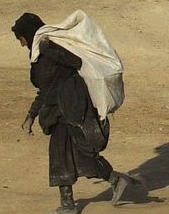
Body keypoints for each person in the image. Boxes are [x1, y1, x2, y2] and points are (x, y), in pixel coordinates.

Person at [12, 13, 136, 214]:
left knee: (64, 155)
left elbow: (76, 63)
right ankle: (113, 180)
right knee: (72, 154)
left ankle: (69, 204)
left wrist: (51, 51)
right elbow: (45, 89)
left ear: (27, 34)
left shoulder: (50, 49)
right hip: (61, 111)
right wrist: (31, 116)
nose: (21, 43)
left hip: (70, 109)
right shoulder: (40, 53)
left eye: (21, 38)